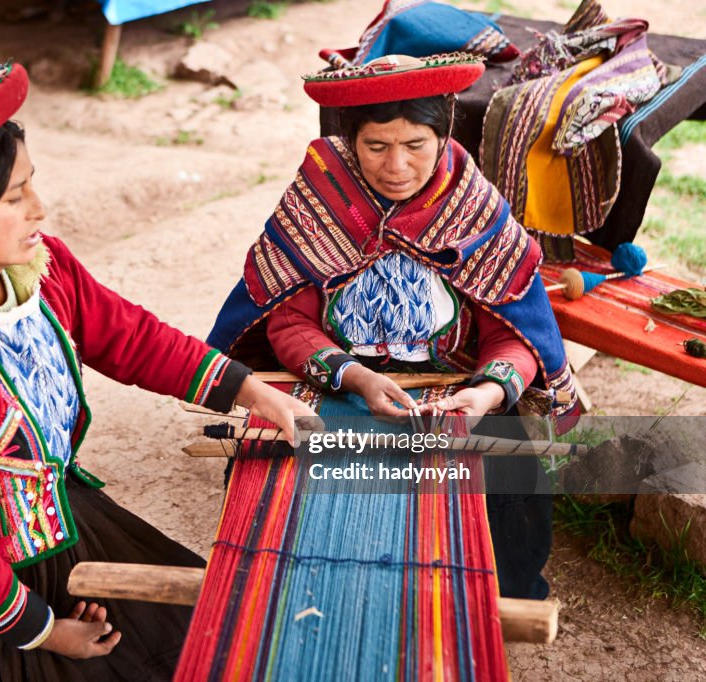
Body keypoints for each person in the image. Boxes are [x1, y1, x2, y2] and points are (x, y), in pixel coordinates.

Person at [0, 63, 317, 681]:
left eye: (32, 183)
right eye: (13, 198)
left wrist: (257, 395)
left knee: (214, 638)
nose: (39, 208)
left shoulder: (41, 269)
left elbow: (133, 338)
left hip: (64, 527)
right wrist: (46, 631)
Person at [208, 54, 580, 600]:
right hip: (337, 379)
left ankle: (490, 603)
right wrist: (356, 377)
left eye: (416, 146)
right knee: (270, 478)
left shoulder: (473, 209)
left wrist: (483, 394)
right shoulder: (320, 199)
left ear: (443, 134)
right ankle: (298, 596)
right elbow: (287, 320)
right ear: (349, 140)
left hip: (451, 383)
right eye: (376, 146)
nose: (396, 167)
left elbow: (514, 331)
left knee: (511, 487)